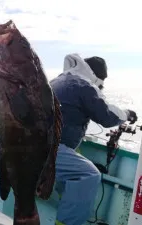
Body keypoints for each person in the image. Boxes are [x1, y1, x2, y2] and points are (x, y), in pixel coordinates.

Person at [49, 53, 138, 225]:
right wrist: (127, 114)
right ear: (98, 77)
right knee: (88, 175)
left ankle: (67, 206)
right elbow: (107, 116)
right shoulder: (83, 85)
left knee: (73, 167)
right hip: (49, 148)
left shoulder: (61, 79)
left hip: (37, 144)